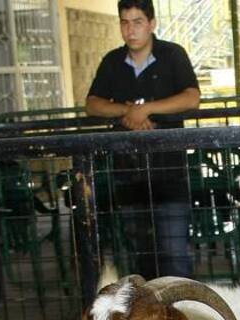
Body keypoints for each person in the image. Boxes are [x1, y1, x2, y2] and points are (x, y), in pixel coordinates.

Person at [86, 0, 201, 279]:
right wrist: (129, 111)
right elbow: (92, 104)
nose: (130, 30)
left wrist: (147, 109)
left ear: (152, 24)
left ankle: (182, 315)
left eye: (137, 22)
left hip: (168, 170)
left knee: (175, 251)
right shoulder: (112, 61)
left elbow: (192, 97)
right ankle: (147, 317)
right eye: (125, 22)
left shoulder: (173, 55)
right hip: (128, 172)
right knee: (140, 253)